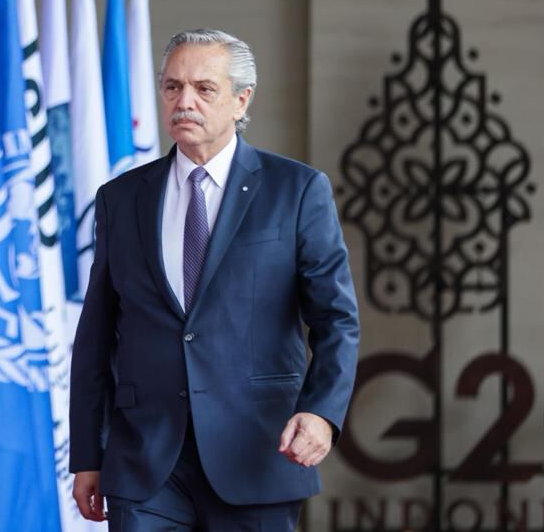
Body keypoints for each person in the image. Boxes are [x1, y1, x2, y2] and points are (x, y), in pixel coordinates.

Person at [70, 28, 359, 531]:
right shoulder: (121, 199)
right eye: (173, 87)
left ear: (241, 99)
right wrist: (87, 454)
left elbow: (336, 320)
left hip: (257, 451)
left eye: (204, 89)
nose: (185, 102)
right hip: (145, 461)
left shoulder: (296, 191)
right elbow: (95, 336)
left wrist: (321, 412)